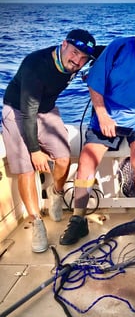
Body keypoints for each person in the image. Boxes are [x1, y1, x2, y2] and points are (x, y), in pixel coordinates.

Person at [60, 8, 135, 250]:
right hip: (108, 116)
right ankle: (78, 218)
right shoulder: (118, 48)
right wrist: (102, 114)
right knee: (86, 161)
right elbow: (95, 81)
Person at [1, 29, 97, 253]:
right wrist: (35, 151)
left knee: (63, 158)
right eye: (75, 53)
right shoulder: (36, 66)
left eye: (84, 58)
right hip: (19, 110)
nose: (78, 60)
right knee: (26, 169)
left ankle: (56, 193)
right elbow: (28, 114)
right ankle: (36, 221)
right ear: (63, 44)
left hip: (47, 109)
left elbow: (105, 51)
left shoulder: (80, 59)